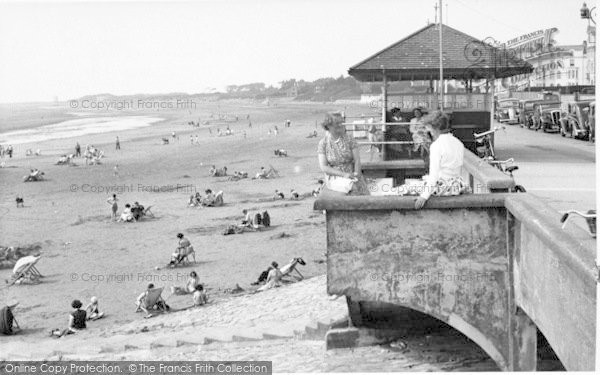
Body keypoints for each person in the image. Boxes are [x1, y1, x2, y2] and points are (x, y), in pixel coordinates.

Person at [415, 111, 468, 210]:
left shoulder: (436, 145)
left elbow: (433, 176)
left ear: (434, 128)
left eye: (430, 130)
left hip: (441, 186)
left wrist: (424, 196)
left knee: (402, 189)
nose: (429, 133)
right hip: (456, 186)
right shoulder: (459, 143)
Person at [317, 112, 369, 195]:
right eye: (337, 123)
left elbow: (357, 160)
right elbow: (324, 167)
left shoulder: (349, 139)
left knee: (362, 191)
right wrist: (344, 175)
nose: (340, 125)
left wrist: (357, 174)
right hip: (335, 176)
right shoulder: (323, 143)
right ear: (328, 126)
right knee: (352, 188)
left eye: (341, 122)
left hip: (352, 173)